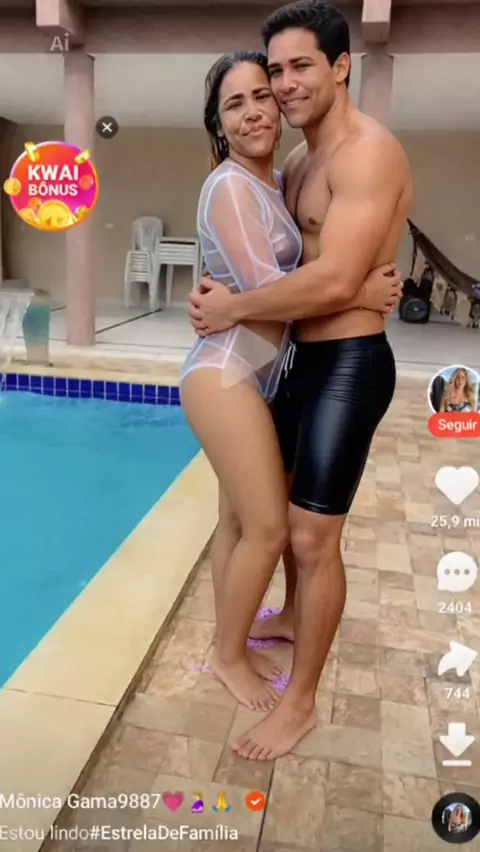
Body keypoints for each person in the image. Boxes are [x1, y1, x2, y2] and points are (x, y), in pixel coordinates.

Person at [189, 0, 413, 759]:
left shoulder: (366, 153)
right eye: (274, 71)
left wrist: (236, 306)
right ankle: (284, 616)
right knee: (273, 516)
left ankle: (302, 703)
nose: (283, 86)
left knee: (313, 539)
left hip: (347, 364)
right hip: (290, 363)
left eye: (298, 68)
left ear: (341, 66)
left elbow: (334, 279)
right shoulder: (294, 166)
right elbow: (279, 269)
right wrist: (225, 299)